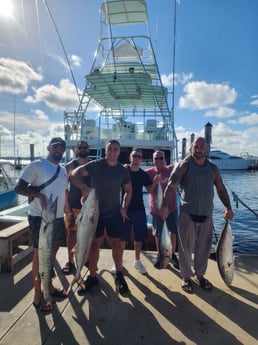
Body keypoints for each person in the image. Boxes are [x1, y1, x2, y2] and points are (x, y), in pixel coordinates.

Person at [160, 137, 234, 293]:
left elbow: (220, 189)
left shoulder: (213, 168)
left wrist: (228, 207)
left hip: (207, 214)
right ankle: (186, 277)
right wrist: (165, 206)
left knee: (204, 248)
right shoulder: (184, 166)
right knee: (185, 248)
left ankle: (200, 275)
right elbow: (171, 186)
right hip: (188, 214)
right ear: (191, 148)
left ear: (206, 149)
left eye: (202, 147)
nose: (199, 149)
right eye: (196, 147)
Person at [69, 139, 132, 295]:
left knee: (116, 244)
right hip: (94, 212)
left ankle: (119, 275)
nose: (112, 152)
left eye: (115, 149)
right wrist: (83, 187)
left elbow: (128, 190)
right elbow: (74, 174)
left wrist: (124, 206)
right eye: (109, 149)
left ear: (119, 152)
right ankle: (92, 276)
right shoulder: (96, 165)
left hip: (114, 212)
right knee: (94, 244)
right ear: (105, 151)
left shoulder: (122, 171)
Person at [15, 137, 68, 312]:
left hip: (58, 218)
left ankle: (49, 285)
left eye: (62, 148)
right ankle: (38, 293)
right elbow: (19, 187)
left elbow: (63, 192)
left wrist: (67, 210)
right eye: (55, 147)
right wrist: (40, 196)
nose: (58, 150)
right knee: (39, 255)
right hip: (40, 217)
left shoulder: (62, 170)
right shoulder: (37, 165)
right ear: (48, 148)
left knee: (52, 253)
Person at [120, 149, 152, 274]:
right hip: (125, 209)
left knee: (139, 237)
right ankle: (119, 261)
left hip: (139, 209)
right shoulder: (123, 171)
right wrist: (120, 207)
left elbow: (150, 190)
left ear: (142, 160)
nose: (137, 158)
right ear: (130, 157)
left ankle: (137, 261)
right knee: (122, 237)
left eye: (139, 156)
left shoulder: (143, 174)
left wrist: (156, 182)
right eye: (135, 156)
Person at [145, 150, 179, 269]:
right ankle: (160, 254)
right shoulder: (148, 173)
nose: (159, 160)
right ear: (153, 160)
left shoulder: (171, 169)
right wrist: (155, 182)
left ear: (165, 159)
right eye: (156, 158)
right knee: (158, 233)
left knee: (173, 232)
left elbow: (183, 164)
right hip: (156, 210)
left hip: (172, 208)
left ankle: (172, 254)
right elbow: (149, 190)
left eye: (161, 158)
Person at [62, 140, 91, 275]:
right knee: (72, 235)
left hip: (89, 207)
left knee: (88, 236)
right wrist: (67, 208)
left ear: (88, 149)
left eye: (85, 147)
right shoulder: (69, 166)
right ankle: (70, 261)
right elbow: (64, 189)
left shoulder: (93, 165)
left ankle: (87, 259)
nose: (83, 149)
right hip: (73, 206)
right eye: (80, 147)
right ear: (76, 150)